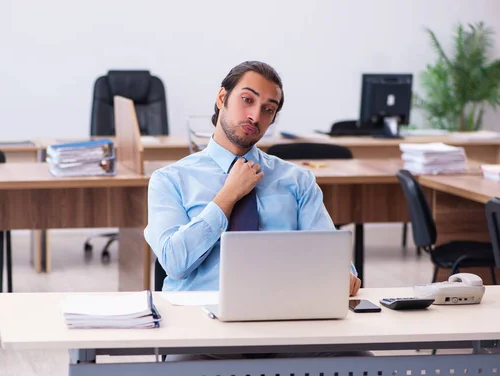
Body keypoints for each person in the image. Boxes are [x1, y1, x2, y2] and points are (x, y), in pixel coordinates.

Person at [144, 60, 361, 296]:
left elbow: (330, 253)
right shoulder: (169, 180)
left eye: (268, 109)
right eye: (247, 100)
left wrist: (343, 273)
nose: (255, 116)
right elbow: (174, 264)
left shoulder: (298, 180)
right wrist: (227, 196)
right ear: (221, 98)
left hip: (281, 309)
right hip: (199, 313)